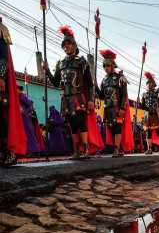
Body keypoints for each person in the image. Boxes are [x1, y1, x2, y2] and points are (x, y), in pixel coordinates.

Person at [44, 25, 94, 159]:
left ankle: (86, 149)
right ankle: (76, 151)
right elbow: (55, 82)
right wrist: (47, 71)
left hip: (79, 98)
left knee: (81, 123)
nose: (66, 47)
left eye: (68, 44)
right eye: (64, 45)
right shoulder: (60, 63)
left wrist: (91, 100)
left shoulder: (82, 61)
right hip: (66, 99)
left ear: (74, 45)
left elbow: (90, 84)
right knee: (72, 124)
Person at [96, 49, 132, 157]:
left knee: (117, 128)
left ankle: (116, 149)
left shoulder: (121, 78)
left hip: (117, 107)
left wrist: (122, 108)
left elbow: (124, 95)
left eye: (108, 65)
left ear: (113, 65)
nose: (106, 68)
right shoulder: (104, 80)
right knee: (111, 129)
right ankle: (119, 148)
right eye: (104, 66)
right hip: (108, 108)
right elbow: (102, 96)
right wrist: (96, 87)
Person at [0, 18, 26, 165]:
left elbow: (3, 57)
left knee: (2, 117)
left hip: (0, 80)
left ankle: (9, 151)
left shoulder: (1, 29)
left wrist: (1, 77)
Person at [141, 72, 159, 154]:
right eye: (148, 83)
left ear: (153, 84)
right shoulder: (144, 94)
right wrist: (139, 104)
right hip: (147, 115)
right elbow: (143, 107)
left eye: (151, 83)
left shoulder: (158, 93)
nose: (149, 84)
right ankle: (149, 148)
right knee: (148, 132)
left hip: (156, 114)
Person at [18, 85, 41, 155]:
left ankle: (34, 151)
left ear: (19, 90)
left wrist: (24, 111)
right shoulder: (19, 97)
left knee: (29, 133)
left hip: (25, 118)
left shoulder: (22, 96)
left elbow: (30, 105)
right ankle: (29, 151)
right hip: (22, 118)